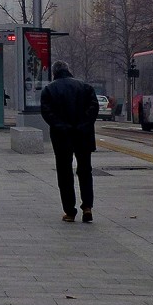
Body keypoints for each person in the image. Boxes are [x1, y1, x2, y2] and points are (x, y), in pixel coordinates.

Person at [40, 59, 100, 223]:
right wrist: (83, 125)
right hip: (83, 135)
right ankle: (87, 207)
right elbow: (94, 108)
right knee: (85, 171)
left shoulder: (49, 90)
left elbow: (47, 112)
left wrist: (62, 126)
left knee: (64, 173)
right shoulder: (85, 87)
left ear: (54, 73)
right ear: (68, 70)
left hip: (62, 136)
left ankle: (70, 211)